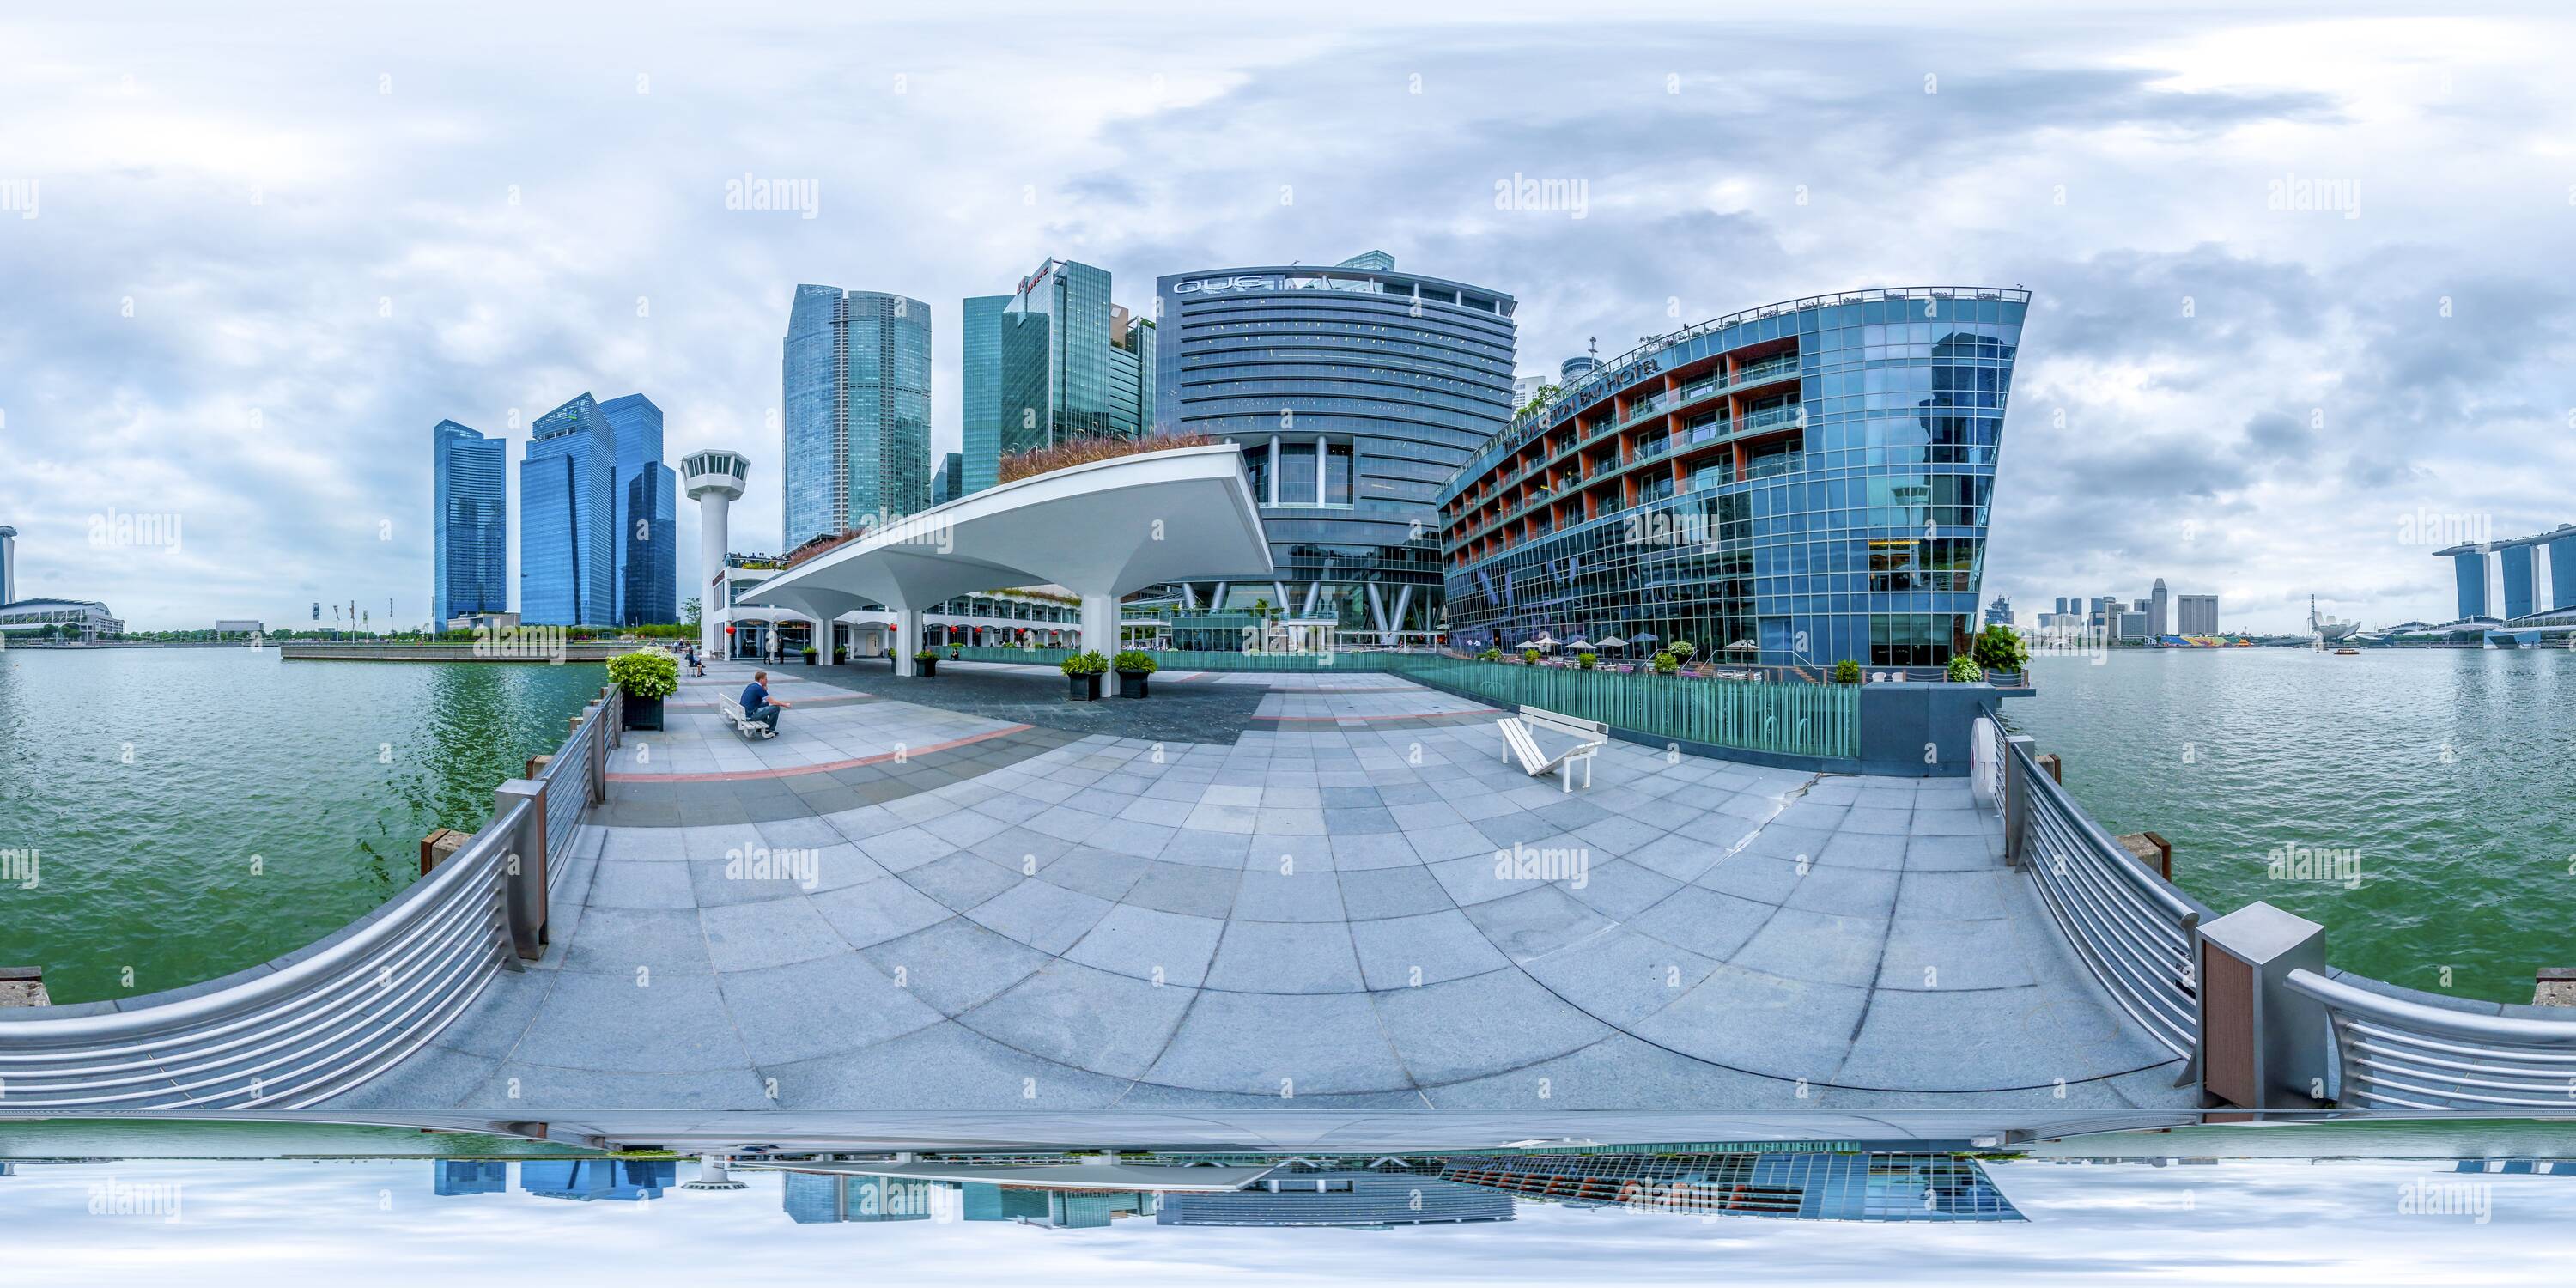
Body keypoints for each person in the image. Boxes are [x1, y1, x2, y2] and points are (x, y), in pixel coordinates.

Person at [738, 670, 788, 735]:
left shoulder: (751, 685)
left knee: (765, 704)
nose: (767, 681)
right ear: (761, 680)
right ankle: (769, 729)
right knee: (776, 708)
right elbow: (773, 702)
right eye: (766, 679)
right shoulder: (759, 688)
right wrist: (785, 705)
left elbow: (760, 701)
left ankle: (762, 727)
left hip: (745, 713)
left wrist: (764, 689)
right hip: (750, 716)